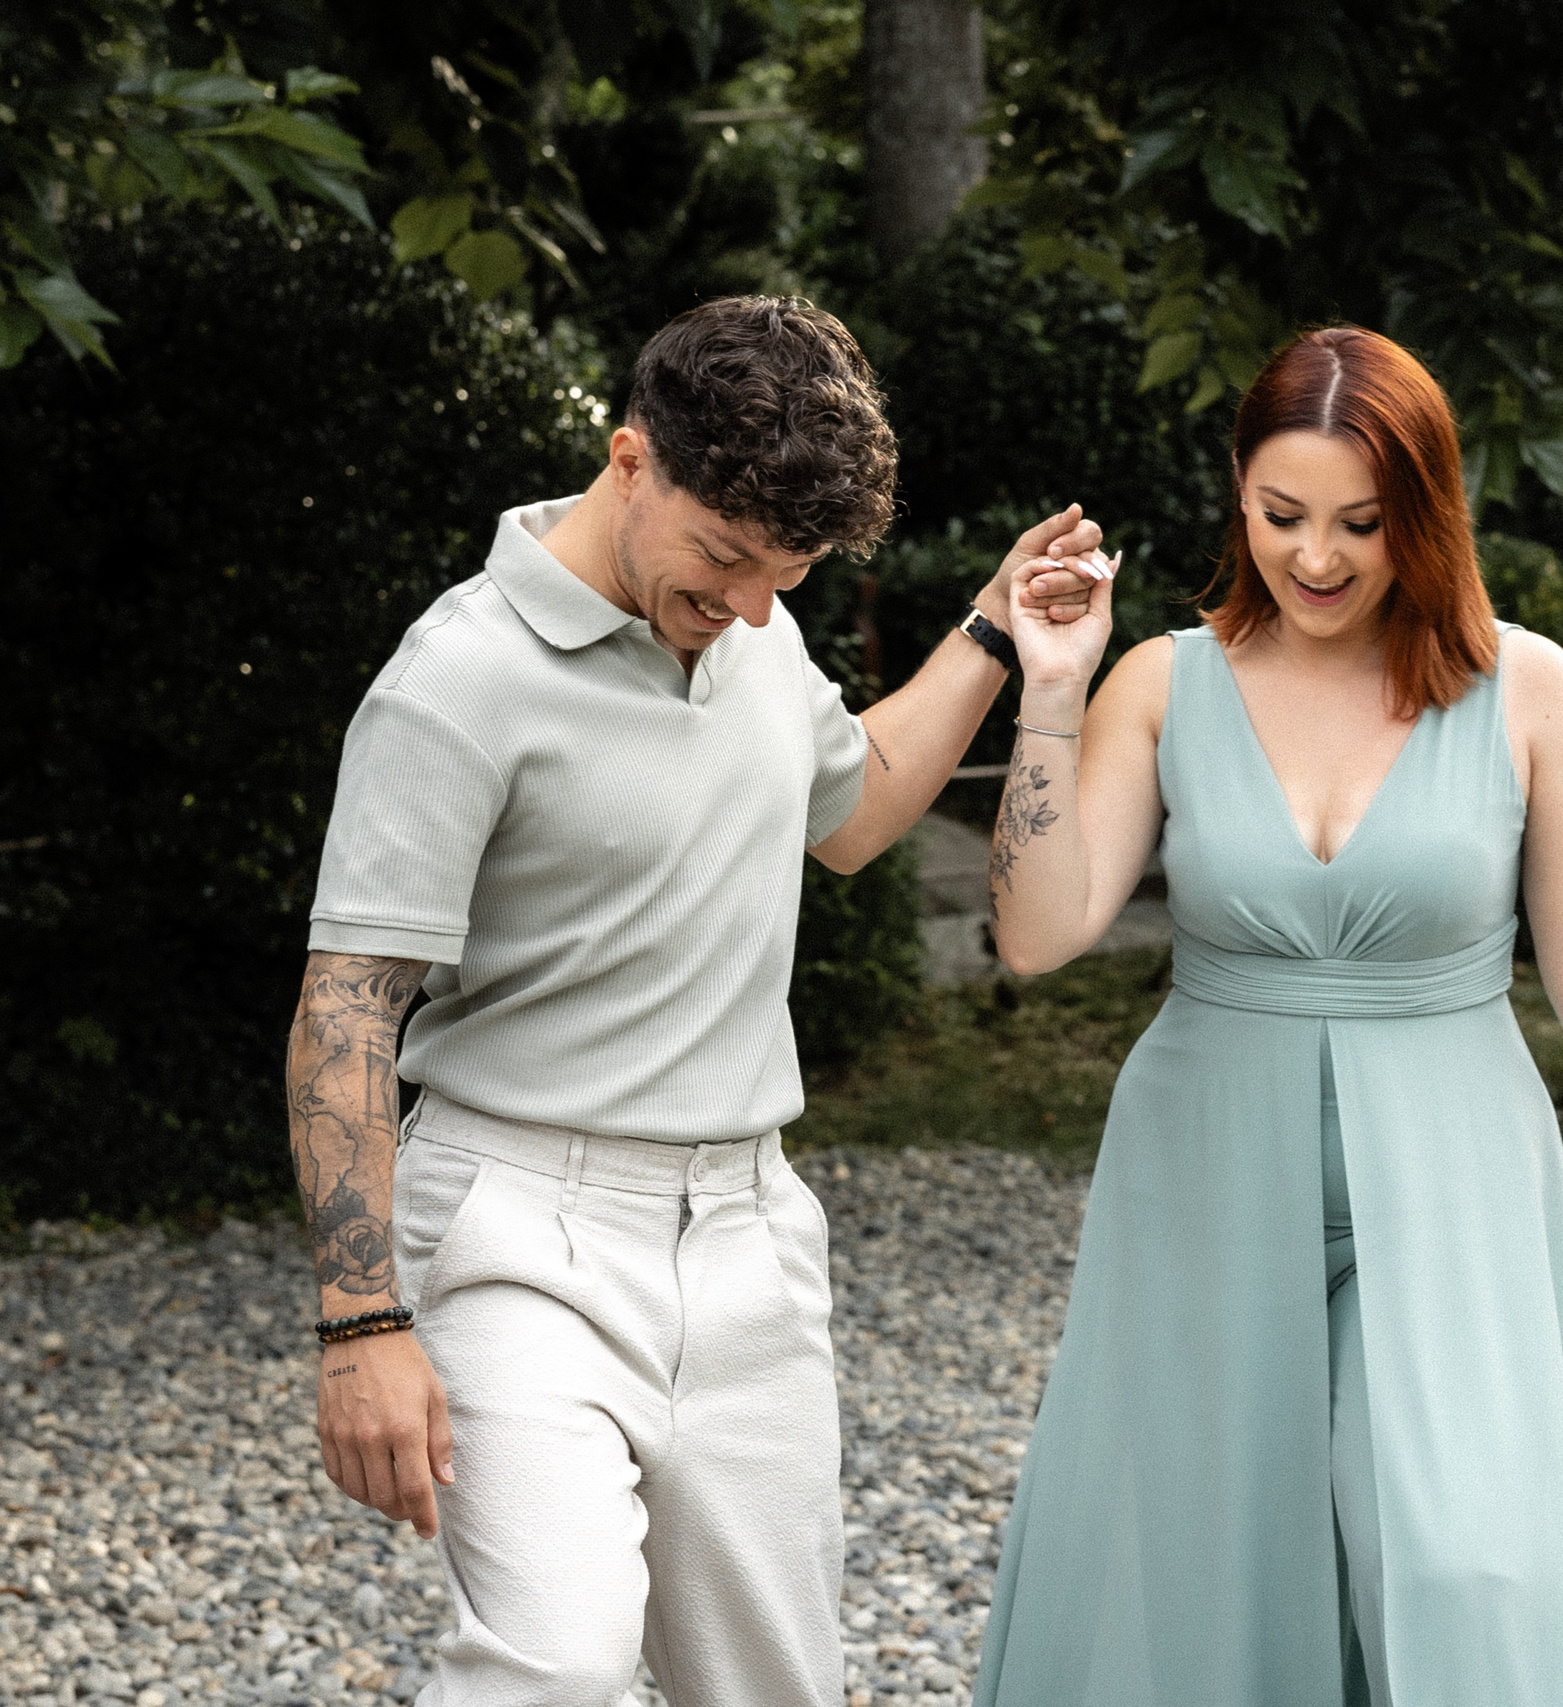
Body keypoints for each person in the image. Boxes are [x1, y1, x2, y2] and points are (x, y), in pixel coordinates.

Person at [284, 295, 1102, 1707]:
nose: (746, 604)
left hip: (747, 1239)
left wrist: (992, 633)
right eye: (724, 558)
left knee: (772, 1687)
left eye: (783, 574)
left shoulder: (753, 634)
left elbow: (852, 811)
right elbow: (348, 1009)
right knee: (552, 1658)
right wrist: (362, 1324)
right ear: (628, 459)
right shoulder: (457, 683)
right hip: (513, 1235)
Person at [972, 325, 1563, 1707]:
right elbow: (1034, 938)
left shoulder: (1532, 690)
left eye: (1359, 523)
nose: (1315, 557)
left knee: (1463, 1562)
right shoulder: (1163, 680)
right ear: (1238, 496)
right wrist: (1051, 691)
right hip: (1204, 1168)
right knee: (1209, 1572)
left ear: (1424, 515)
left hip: (1458, 1175)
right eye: (1281, 517)